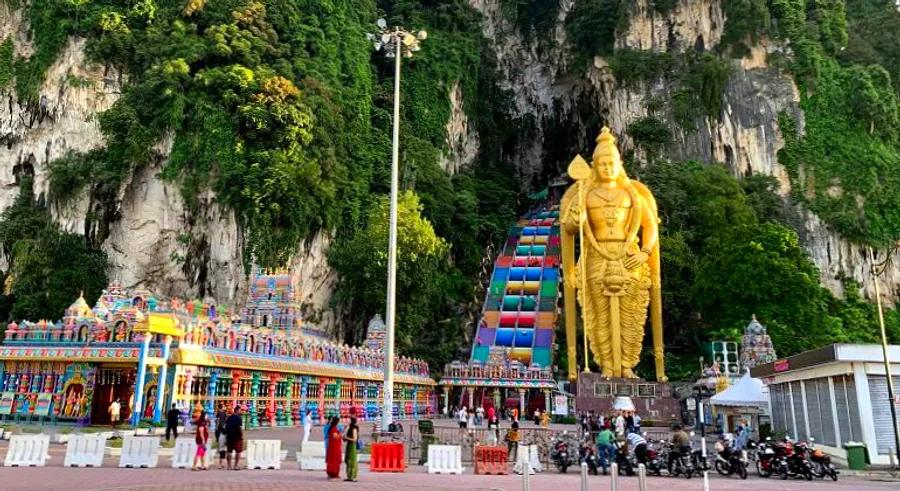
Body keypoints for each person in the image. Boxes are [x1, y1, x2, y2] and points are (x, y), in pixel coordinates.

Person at [225, 405, 244, 470]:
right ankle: (236, 465)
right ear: (237, 410)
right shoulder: (239, 418)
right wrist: (241, 435)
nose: (241, 411)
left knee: (229, 451)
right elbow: (240, 427)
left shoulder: (229, 417)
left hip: (229, 436)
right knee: (238, 451)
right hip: (237, 437)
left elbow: (226, 426)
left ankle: (229, 466)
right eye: (240, 410)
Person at [343, 417, 359, 482]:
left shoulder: (354, 428)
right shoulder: (348, 428)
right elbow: (344, 436)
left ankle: (353, 476)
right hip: (348, 445)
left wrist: (347, 437)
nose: (346, 421)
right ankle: (349, 476)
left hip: (352, 445)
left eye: (348, 420)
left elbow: (355, 439)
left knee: (352, 460)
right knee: (347, 460)